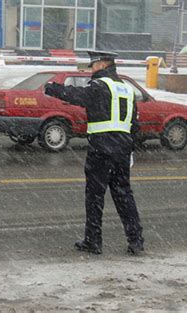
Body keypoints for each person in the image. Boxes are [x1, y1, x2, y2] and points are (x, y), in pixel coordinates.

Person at [44, 50, 144, 255]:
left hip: (101, 147)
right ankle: (136, 240)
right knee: (123, 194)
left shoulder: (99, 86)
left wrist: (52, 88)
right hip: (122, 148)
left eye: (94, 64)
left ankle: (93, 240)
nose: (92, 68)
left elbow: (76, 96)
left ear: (102, 64)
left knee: (95, 196)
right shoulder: (126, 89)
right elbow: (135, 125)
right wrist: (128, 146)